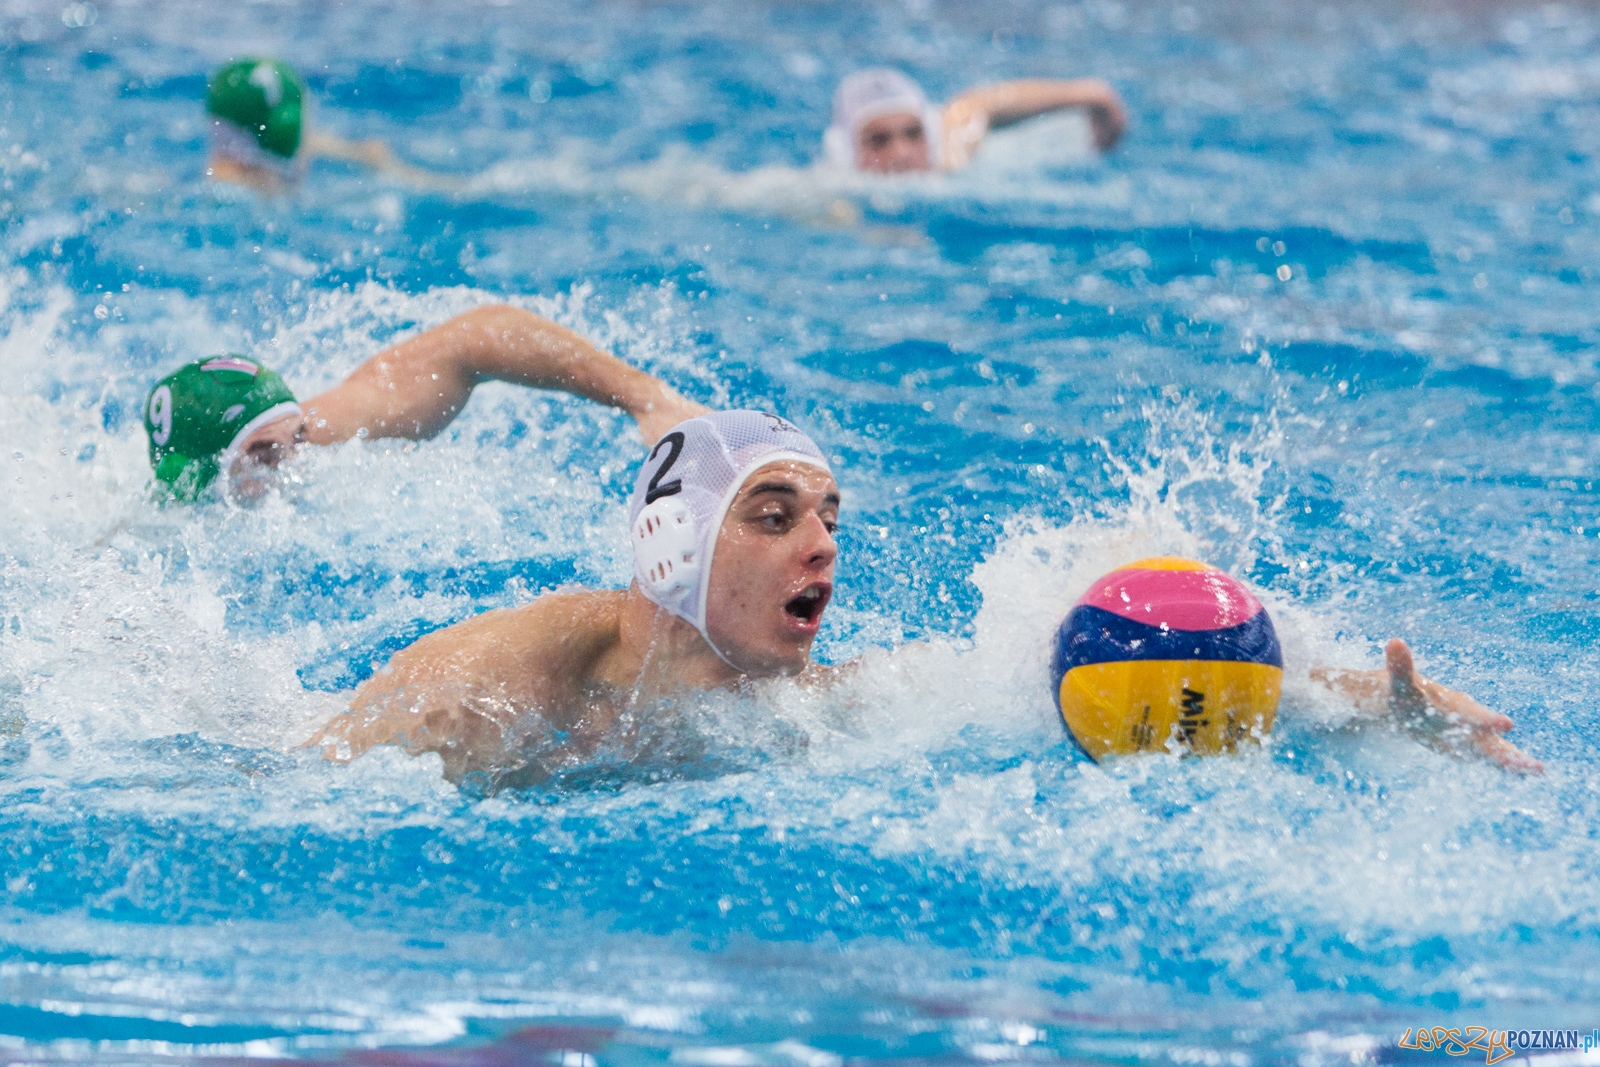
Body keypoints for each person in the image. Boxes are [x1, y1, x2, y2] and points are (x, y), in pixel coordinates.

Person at [307, 407, 1541, 789]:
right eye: (776, 516)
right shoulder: (527, 665)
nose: (822, 552)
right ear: (673, 546)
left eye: (832, 521)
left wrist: (1358, 705)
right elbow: (303, 788)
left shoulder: (801, 710)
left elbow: (1041, 666)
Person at [141, 304, 702, 502]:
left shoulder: (321, 438)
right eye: (265, 457)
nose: (294, 467)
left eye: (299, 440)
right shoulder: (151, 550)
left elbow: (472, 339)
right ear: (199, 473)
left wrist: (645, 398)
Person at [205, 57, 455, 193]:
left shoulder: (220, 174)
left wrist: (359, 153)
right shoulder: (246, 200)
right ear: (288, 128)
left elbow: (293, 142)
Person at [822, 67, 1128, 175]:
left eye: (913, 134)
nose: (901, 153)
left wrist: (1090, 93)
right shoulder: (833, 190)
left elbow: (976, 104)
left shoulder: (952, 156)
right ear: (848, 148)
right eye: (879, 140)